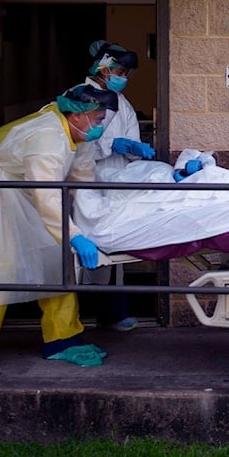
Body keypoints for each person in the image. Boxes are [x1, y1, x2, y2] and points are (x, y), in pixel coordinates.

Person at [0, 84, 118, 375]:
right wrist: (76, 236)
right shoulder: (48, 138)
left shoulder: (77, 133)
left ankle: (62, 338)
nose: (101, 124)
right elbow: (46, 195)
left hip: (21, 186)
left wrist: (97, 217)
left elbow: (81, 177)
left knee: (53, 255)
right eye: (98, 117)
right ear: (78, 116)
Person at [79, 40, 152, 333]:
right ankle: (74, 316)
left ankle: (113, 312)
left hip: (115, 186)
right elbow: (78, 146)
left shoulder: (123, 104)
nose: (124, 77)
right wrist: (111, 145)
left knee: (113, 254)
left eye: (128, 73)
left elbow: (131, 146)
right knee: (84, 256)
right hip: (86, 186)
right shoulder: (79, 97)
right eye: (120, 71)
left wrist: (137, 150)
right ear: (104, 67)